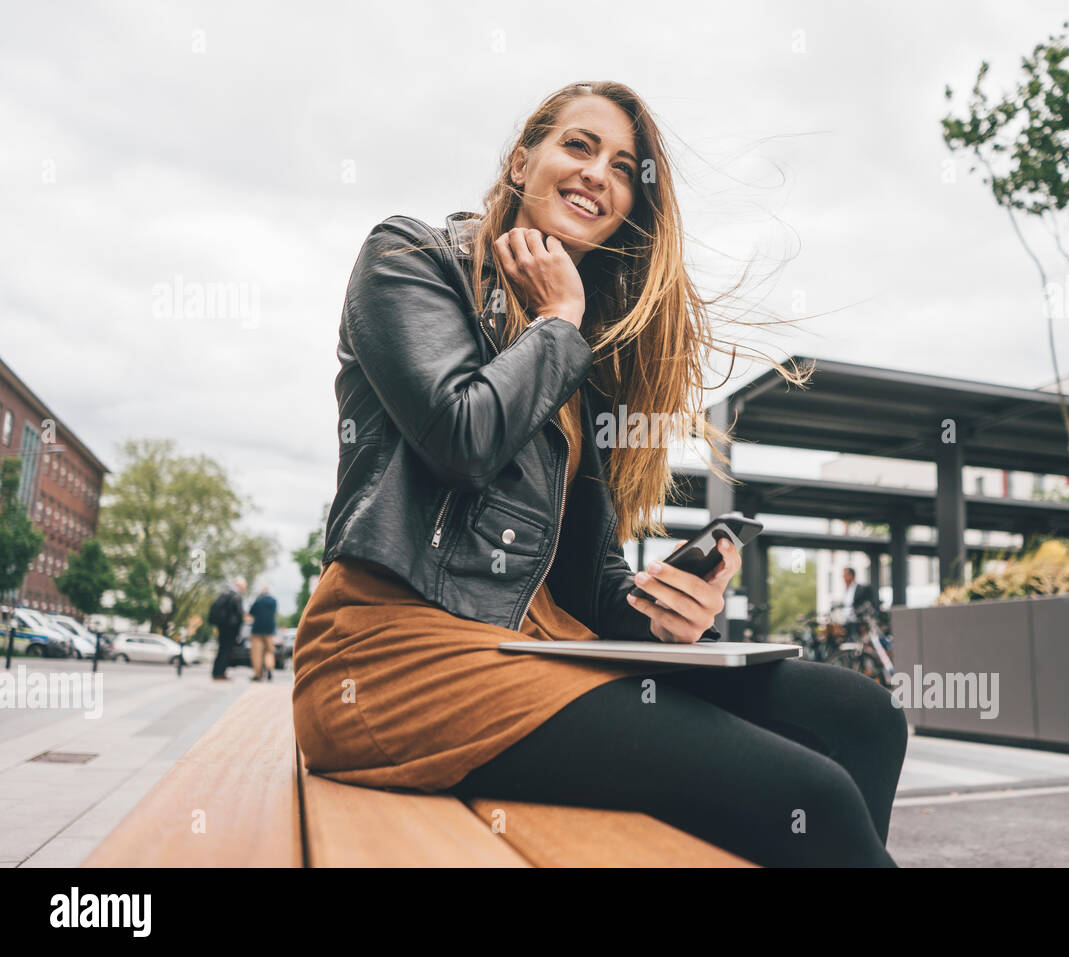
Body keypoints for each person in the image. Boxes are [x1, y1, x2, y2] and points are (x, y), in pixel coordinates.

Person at [292, 81, 909, 867]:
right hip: (394, 659)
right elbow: (462, 436)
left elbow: (586, 580)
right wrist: (556, 321)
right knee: (809, 797)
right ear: (522, 161)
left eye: (623, 168)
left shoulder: (589, 355)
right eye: (578, 146)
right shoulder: (411, 260)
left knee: (862, 714)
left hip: (540, 652)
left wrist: (662, 610)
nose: (597, 174)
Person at [208, 576, 246, 681]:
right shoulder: (236, 596)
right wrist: (239, 631)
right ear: (240, 586)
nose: (244, 589)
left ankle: (217, 672)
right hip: (231, 628)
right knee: (226, 650)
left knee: (221, 649)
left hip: (222, 626)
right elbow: (239, 614)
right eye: (244, 587)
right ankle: (220, 673)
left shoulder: (225, 594)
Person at [248, 585, 278, 682]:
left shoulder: (258, 601)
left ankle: (258, 674)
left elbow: (251, 612)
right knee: (269, 651)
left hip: (257, 630)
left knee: (257, 653)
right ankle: (269, 668)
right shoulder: (273, 602)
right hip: (269, 630)